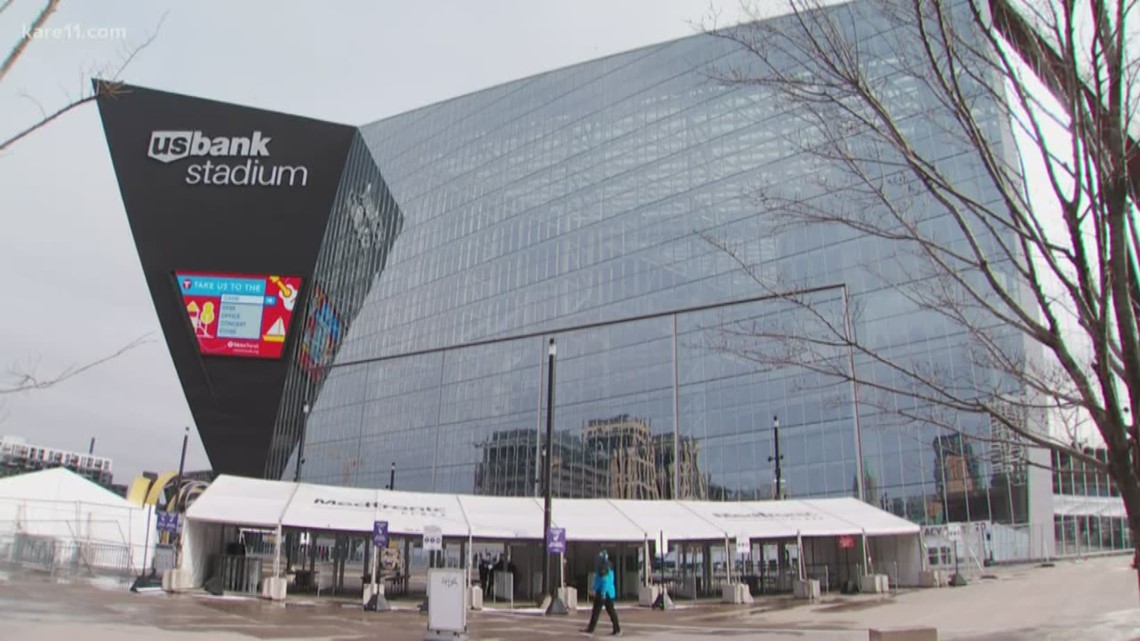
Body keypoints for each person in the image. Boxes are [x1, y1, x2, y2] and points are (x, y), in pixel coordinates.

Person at [582, 550, 621, 636]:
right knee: (599, 611)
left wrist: (602, 593)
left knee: (608, 611)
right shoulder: (605, 565)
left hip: (605, 593)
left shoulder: (604, 566)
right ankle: (592, 628)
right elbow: (600, 580)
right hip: (604, 592)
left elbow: (605, 581)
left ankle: (616, 629)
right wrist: (594, 588)